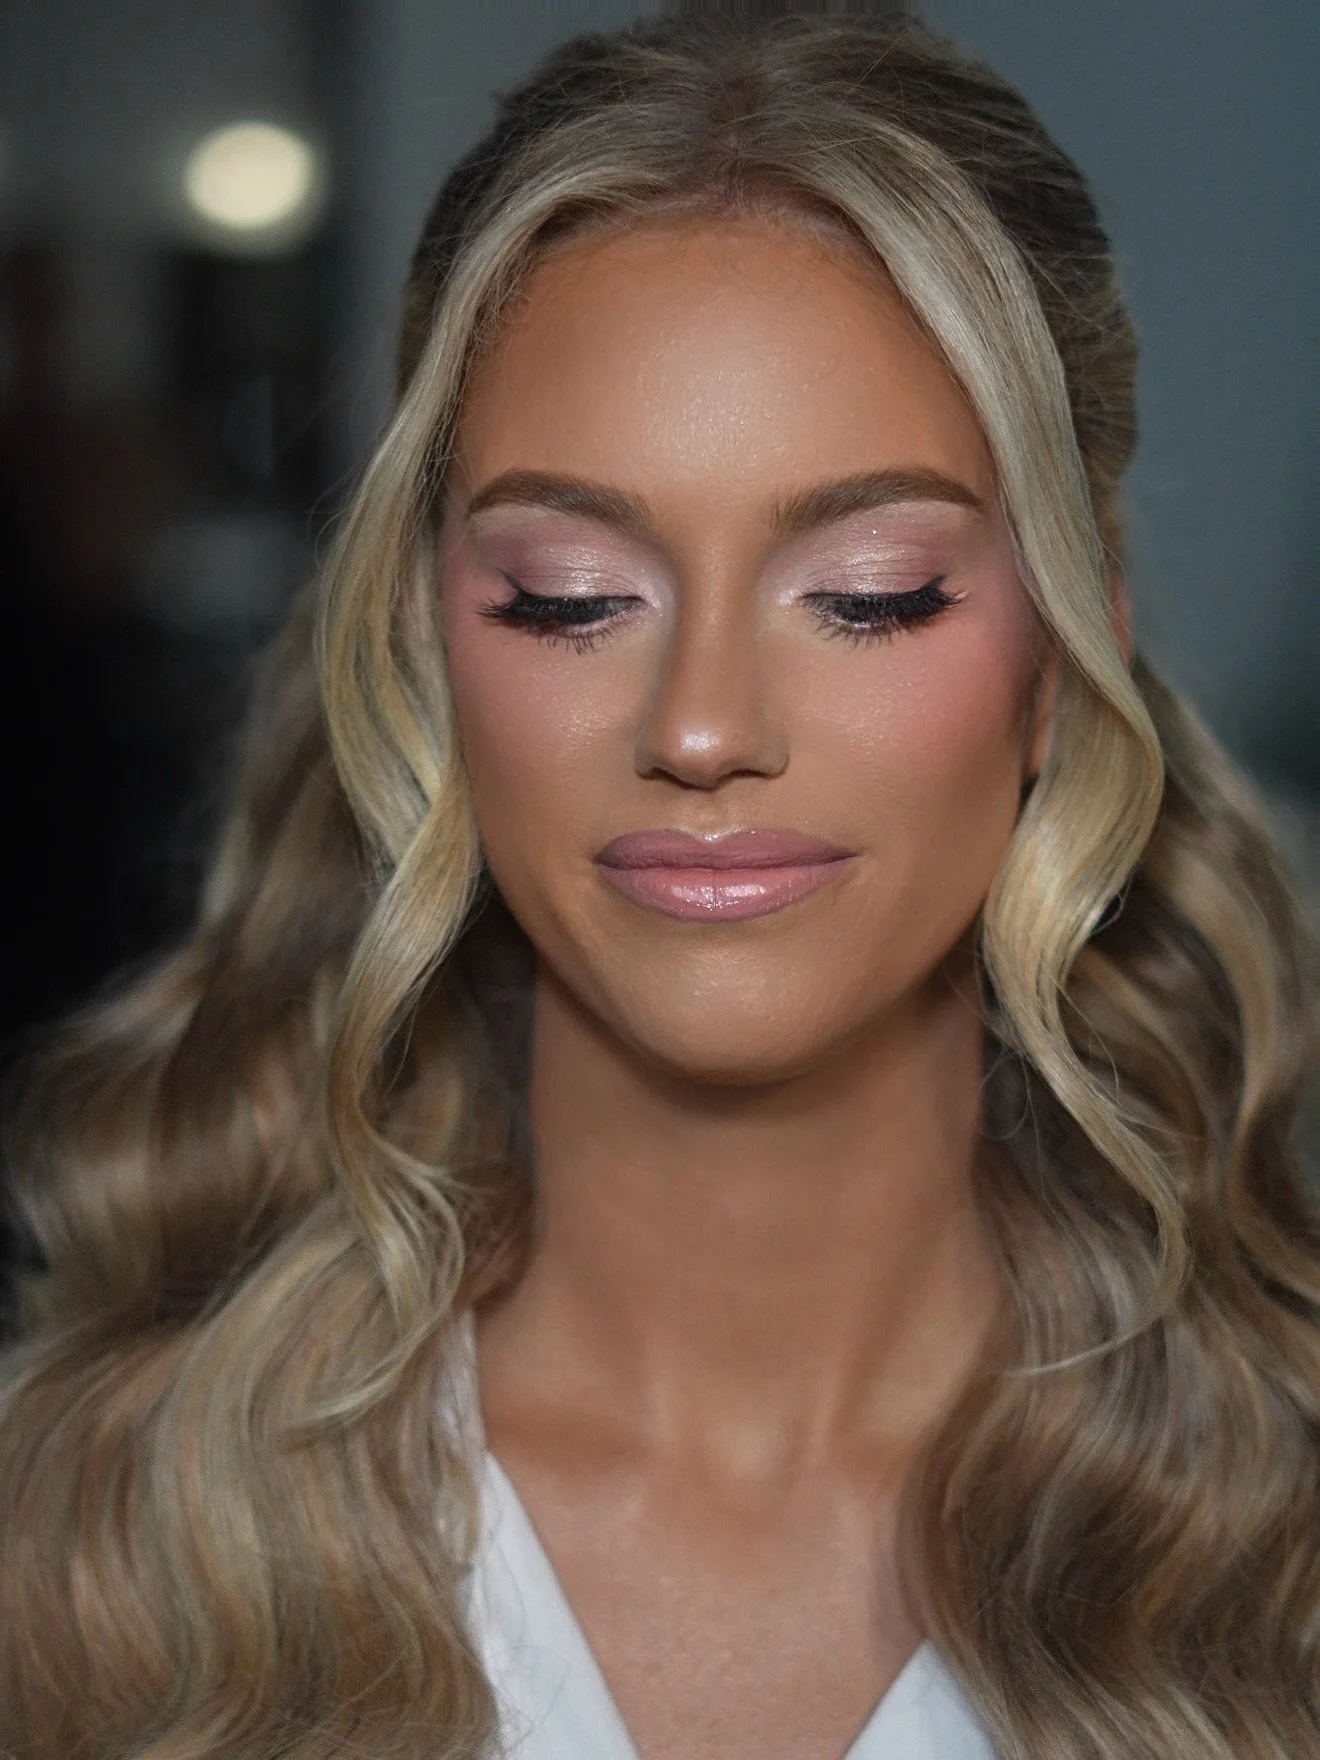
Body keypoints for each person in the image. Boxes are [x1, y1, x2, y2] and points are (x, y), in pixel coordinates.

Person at [1, 9, 1316, 1758]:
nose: (702, 728)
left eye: (868, 592)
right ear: (423, 647)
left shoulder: (1280, 1545)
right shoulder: (84, 1548)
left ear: (1073, 653)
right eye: (566, 595)